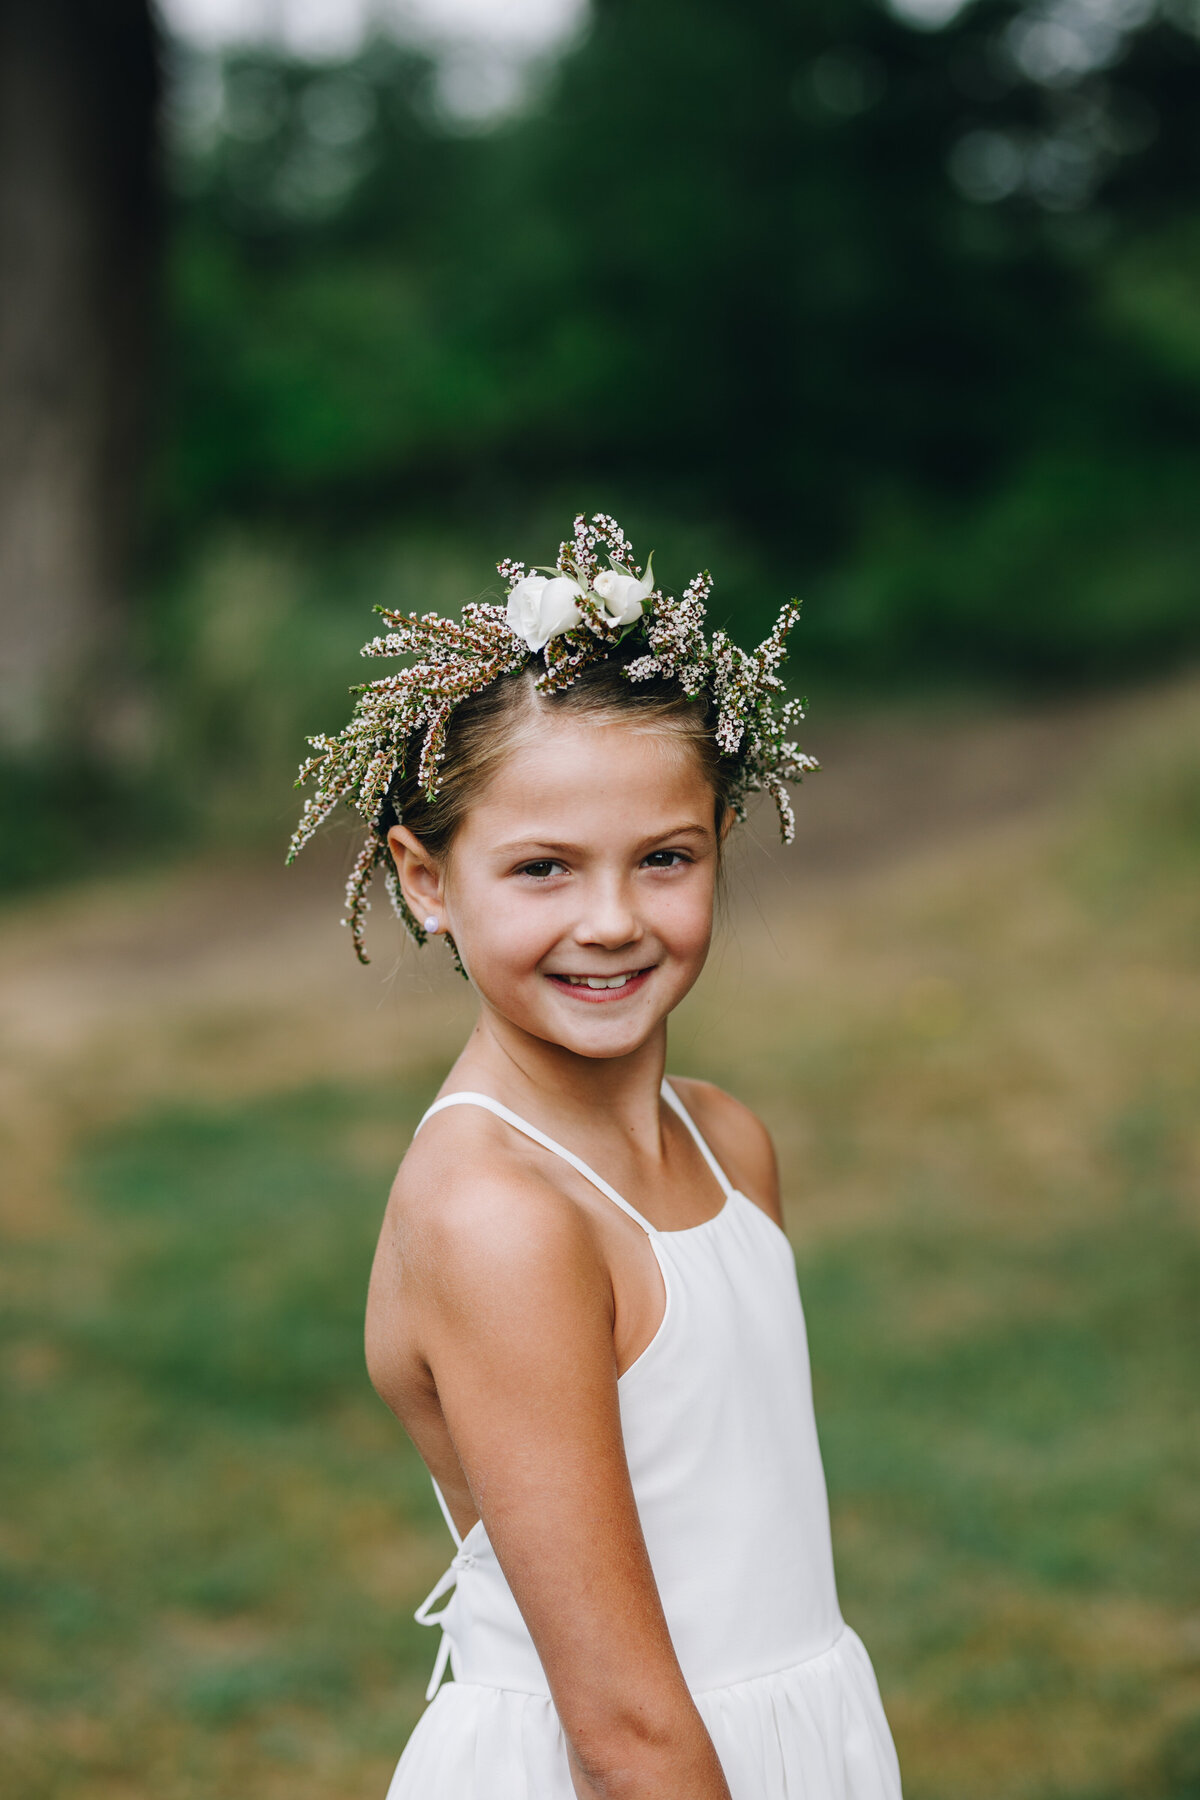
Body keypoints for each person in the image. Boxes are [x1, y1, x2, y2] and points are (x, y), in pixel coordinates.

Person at [288, 513, 904, 1800]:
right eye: (544, 868)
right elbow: (622, 1730)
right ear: (426, 879)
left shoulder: (726, 1141)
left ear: (719, 846)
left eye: (664, 858)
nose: (612, 921)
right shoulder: (498, 1219)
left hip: (786, 1735)